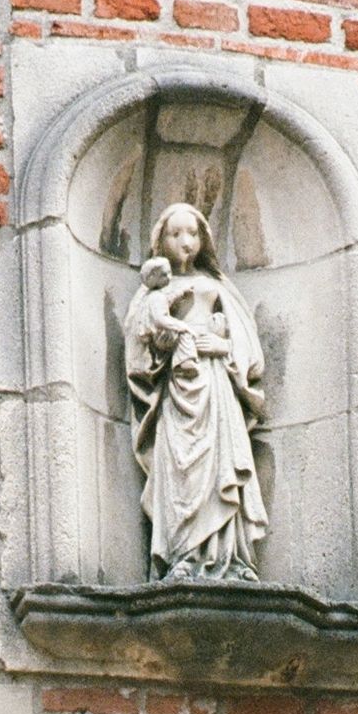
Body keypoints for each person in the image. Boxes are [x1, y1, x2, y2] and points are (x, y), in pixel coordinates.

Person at [123, 202, 268, 582]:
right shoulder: (153, 294)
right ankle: (183, 553)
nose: (184, 241)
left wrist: (218, 347)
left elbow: (247, 347)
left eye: (192, 233)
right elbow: (138, 352)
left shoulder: (217, 287)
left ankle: (230, 558)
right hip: (178, 391)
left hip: (217, 386)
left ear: (203, 239)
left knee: (220, 461)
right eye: (175, 234)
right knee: (181, 468)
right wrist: (167, 344)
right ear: (161, 241)